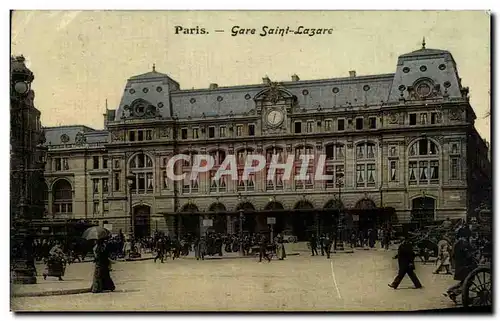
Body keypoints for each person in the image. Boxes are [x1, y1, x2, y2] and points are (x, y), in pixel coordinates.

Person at [445, 234, 476, 303]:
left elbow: (453, 256)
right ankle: (454, 293)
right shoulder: (464, 243)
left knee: (463, 282)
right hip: (466, 267)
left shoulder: (456, 244)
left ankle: (451, 290)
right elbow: (468, 255)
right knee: (468, 282)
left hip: (459, 266)